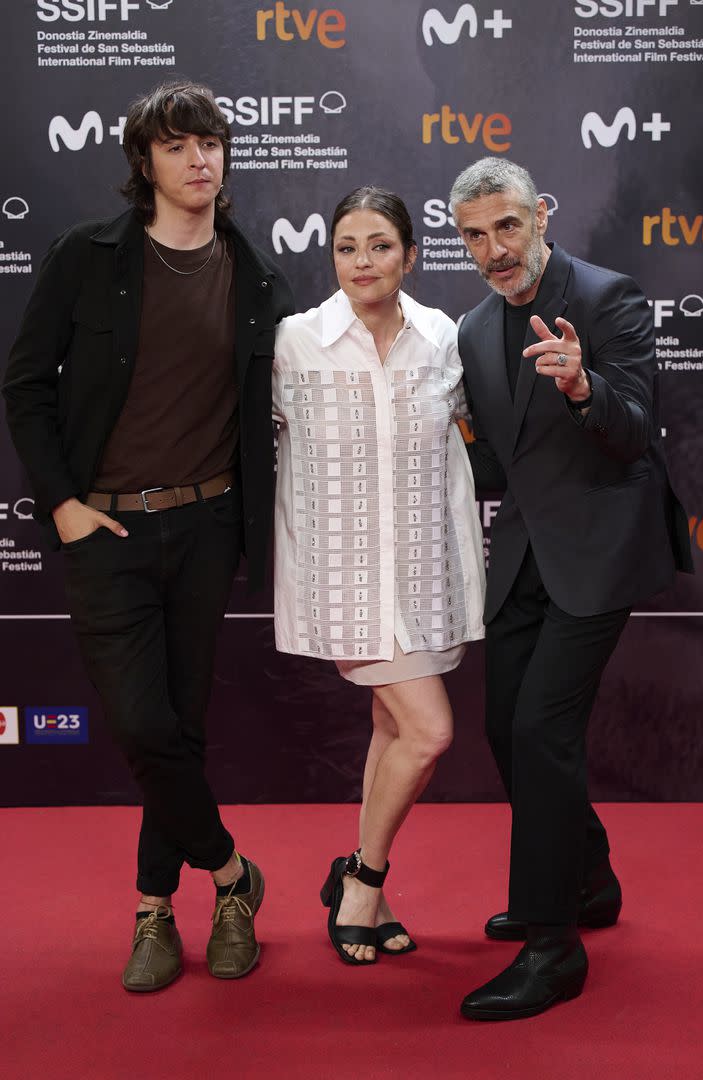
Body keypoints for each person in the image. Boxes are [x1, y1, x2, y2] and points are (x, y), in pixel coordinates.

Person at [3, 81, 293, 992]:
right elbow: (25, 386)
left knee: (181, 728)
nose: (199, 157)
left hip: (209, 528)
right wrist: (62, 506)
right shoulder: (86, 257)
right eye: (177, 145)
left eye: (211, 140)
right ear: (145, 162)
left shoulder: (259, 278)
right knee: (140, 723)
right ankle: (234, 876)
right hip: (107, 530)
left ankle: (156, 913)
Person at [449, 157, 692, 1020]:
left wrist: (585, 385)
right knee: (504, 729)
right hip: (522, 554)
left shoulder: (607, 295)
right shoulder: (475, 328)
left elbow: (630, 436)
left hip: (601, 547)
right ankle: (587, 878)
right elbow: (495, 460)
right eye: (473, 235)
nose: (493, 249)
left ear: (541, 213)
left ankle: (553, 947)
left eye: (506, 226)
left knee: (542, 729)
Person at [272, 187, 485, 965]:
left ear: (410, 253)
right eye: (347, 247)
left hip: (427, 571)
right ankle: (363, 878)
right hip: (346, 575)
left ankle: (362, 882)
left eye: (380, 246)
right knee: (430, 731)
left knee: (396, 729)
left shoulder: (442, 336)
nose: (363, 262)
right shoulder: (296, 340)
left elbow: (470, 432)